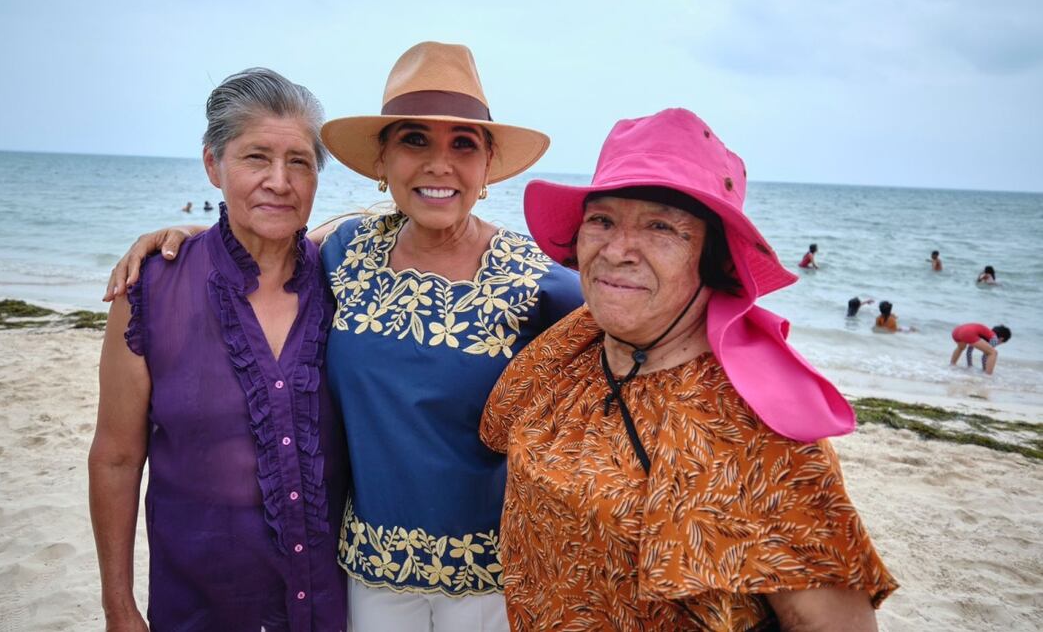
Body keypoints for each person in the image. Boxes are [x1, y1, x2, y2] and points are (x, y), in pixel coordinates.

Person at [103, 42, 584, 631]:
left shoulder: (538, 279)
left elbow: (630, 330)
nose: (439, 164)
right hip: (366, 581)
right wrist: (186, 238)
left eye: (464, 143)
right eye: (414, 140)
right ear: (382, 161)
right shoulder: (349, 252)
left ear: (488, 167)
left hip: (491, 584)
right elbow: (262, 242)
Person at [482, 109, 897, 630]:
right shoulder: (572, 348)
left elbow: (832, 623)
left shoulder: (755, 423)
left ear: (712, 257)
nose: (616, 251)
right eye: (602, 220)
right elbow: (497, 432)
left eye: (660, 226)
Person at [88, 68, 349, 631]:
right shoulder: (150, 290)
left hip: (331, 608)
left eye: (300, 161)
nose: (279, 181)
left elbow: (407, 221)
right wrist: (119, 607)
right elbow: (115, 457)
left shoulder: (347, 283)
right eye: (256, 157)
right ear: (214, 165)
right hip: (202, 608)